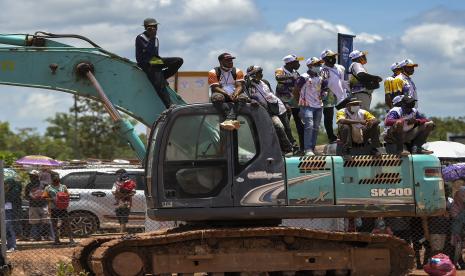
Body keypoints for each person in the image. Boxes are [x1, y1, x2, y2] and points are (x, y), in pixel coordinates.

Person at [135, 18, 184, 108]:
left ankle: (163, 76)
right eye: (151, 27)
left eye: (155, 27)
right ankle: (169, 105)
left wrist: (153, 37)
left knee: (178, 61)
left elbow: (155, 54)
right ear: (146, 28)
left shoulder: (156, 38)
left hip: (154, 60)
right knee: (159, 84)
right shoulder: (141, 37)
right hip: (146, 62)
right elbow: (149, 52)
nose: (154, 29)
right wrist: (152, 37)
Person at [244, 65, 293, 154]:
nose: (261, 74)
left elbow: (272, 94)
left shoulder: (265, 82)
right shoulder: (248, 85)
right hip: (265, 111)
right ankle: (286, 149)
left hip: (277, 107)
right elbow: (247, 96)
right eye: (258, 73)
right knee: (278, 126)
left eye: (261, 72)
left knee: (287, 128)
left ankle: (293, 147)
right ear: (253, 74)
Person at [208, 53, 248, 131]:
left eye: (231, 60)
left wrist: (236, 93)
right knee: (217, 98)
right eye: (227, 60)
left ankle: (229, 119)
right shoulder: (213, 72)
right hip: (221, 93)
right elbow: (215, 87)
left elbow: (239, 86)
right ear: (220, 62)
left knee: (243, 97)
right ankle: (230, 118)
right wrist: (226, 94)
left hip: (234, 93)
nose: (231, 62)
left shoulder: (237, 71)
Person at [293, 57, 325, 156]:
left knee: (315, 127)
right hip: (306, 106)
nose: (319, 66)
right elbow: (295, 90)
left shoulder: (320, 78)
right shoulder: (304, 77)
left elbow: (322, 89)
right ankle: (307, 149)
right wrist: (300, 103)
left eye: (319, 64)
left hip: (318, 106)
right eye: (316, 65)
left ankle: (312, 148)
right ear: (310, 66)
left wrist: (324, 94)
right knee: (309, 126)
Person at [275, 54, 303, 152]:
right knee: (285, 124)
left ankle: (302, 145)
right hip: (284, 101)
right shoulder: (280, 70)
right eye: (297, 62)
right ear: (290, 63)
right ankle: (288, 144)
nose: (299, 64)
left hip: (295, 100)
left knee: (300, 123)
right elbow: (278, 77)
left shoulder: (296, 72)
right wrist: (292, 76)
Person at [320, 49, 349, 143]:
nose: (333, 58)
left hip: (342, 96)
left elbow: (343, 81)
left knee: (346, 116)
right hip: (329, 96)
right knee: (329, 117)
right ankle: (331, 137)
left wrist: (348, 90)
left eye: (334, 56)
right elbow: (322, 84)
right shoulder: (322, 70)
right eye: (330, 57)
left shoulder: (340, 67)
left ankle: (344, 136)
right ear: (325, 59)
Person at [42, 172, 75, 245]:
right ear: (52, 180)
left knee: (67, 224)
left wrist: (63, 198)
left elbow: (67, 195)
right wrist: (53, 199)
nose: (56, 180)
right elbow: (44, 198)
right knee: (54, 224)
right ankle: (56, 240)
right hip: (53, 208)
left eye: (57, 179)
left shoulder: (63, 187)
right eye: (54, 179)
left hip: (62, 208)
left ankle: (71, 240)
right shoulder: (48, 188)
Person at [24, 170, 54, 241]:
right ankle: (36, 237)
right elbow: (26, 196)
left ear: (37, 177)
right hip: (33, 205)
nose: (31, 177)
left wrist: (42, 196)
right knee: (35, 222)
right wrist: (32, 196)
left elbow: (49, 194)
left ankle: (50, 236)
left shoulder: (44, 185)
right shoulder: (28, 185)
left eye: (32, 176)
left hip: (43, 205)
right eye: (30, 176)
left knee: (47, 221)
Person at [4, 178, 21, 252]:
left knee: (9, 228)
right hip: (4, 210)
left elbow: (9, 198)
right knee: (6, 229)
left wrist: (5, 192)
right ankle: (9, 246)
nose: (6, 185)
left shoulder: (14, 191)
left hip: (10, 211)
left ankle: (12, 246)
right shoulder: (6, 190)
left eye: (7, 183)